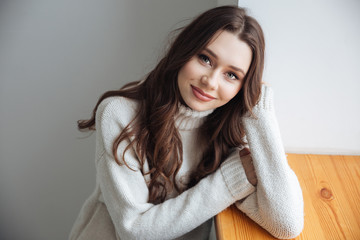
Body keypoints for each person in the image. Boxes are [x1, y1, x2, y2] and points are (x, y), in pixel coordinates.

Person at [69, 5, 304, 240]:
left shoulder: (229, 131)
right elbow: (134, 231)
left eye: (232, 75)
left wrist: (259, 111)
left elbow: (287, 224)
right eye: (205, 59)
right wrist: (231, 181)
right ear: (184, 50)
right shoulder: (120, 115)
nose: (210, 82)